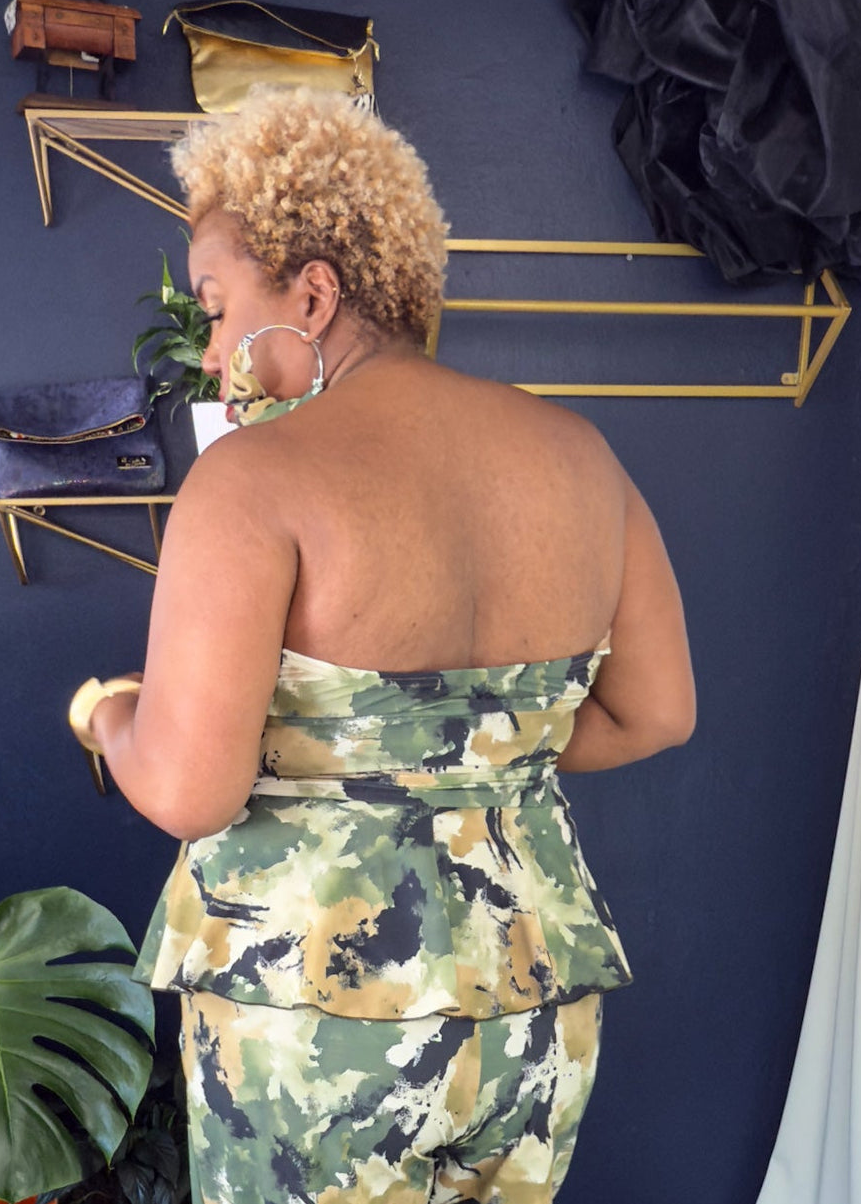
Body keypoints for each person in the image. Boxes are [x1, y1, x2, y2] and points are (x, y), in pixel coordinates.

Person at [68, 86, 695, 1204]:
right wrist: (473, 759)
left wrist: (107, 711)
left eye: (216, 309)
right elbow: (655, 712)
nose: (212, 353)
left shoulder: (254, 481)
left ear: (312, 293)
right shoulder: (583, 457)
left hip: (315, 1026)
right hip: (535, 1008)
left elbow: (191, 785)